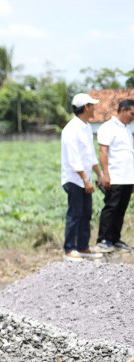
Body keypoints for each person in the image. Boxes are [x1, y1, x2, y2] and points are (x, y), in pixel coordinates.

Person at [61, 93, 105, 262]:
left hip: (84, 179)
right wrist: (86, 179)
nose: (94, 108)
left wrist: (99, 174)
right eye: (92, 105)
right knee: (75, 214)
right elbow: (73, 159)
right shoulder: (71, 129)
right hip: (74, 179)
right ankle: (69, 249)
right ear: (86, 107)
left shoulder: (86, 127)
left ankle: (82, 246)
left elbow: (89, 155)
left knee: (86, 213)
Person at [95, 99, 134, 253]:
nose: (133, 117)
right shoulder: (108, 127)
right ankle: (103, 239)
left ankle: (115, 239)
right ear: (123, 110)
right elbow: (103, 151)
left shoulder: (128, 129)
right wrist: (105, 174)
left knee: (121, 209)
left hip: (127, 177)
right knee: (111, 208)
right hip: (115, 176)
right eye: (132, 113)